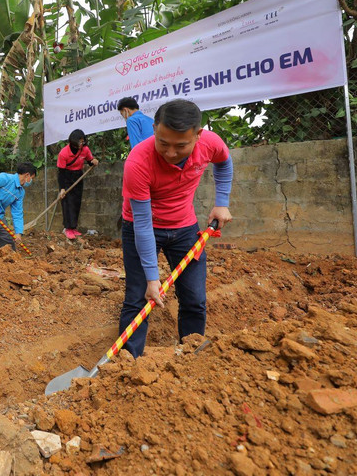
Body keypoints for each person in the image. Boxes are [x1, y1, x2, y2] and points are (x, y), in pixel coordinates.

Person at [119, 99, 233, 358]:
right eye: (163, 143)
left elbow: (224, 163)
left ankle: (192, 352)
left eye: (181, 145)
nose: (170, 153)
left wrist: (222, 203)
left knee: (194, 297)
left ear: (198, 136)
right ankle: (127, 363)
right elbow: (143, 222)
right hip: (141, 227)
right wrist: (151, 278)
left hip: (185, 228)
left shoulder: (210, 143)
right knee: (138, 299)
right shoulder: (138, 161)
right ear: (155, 129)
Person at [57, 129, 99, 240]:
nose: (82, 143)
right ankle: (67, 228)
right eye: (80, 141)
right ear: (73, 141)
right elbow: (61, 172)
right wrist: (62, 188)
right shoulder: (64, 153)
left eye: (83, 141)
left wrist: (94, 161)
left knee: (76, 203)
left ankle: (74, 227)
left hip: (78, 177)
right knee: (67, 203)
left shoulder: (85, 150)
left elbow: (90, 160)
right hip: (66, 178)